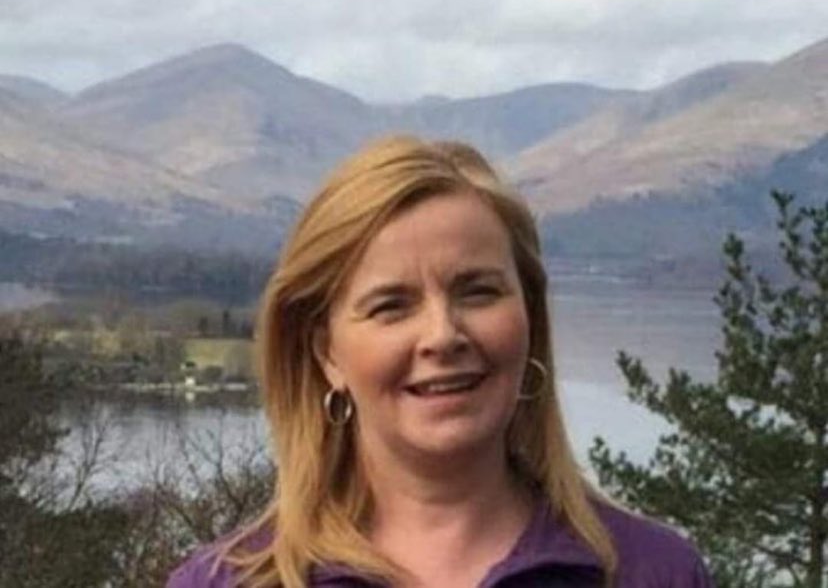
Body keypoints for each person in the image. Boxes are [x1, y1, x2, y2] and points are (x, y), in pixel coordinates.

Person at [168, 136, 713, 588]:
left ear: (530, 321)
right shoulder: (222, 584)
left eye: (477, 292)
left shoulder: (654, 573)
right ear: (326, 352)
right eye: (391, 306)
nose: (442, 335)